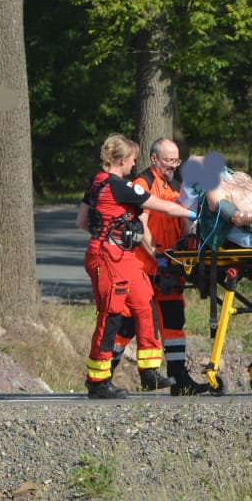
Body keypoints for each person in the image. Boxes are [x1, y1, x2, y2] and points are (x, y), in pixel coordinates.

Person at [78, 134, 192, 399]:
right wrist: (191, 213)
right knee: (111, 315)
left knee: (144, 303)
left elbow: (82, 221)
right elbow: (162, 206)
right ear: (120, 160)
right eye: (131, 160)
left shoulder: (95, 184)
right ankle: (98, 380)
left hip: (119, 254)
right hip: (110, 257)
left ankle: (149, 371)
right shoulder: (119, 186)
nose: (133, 165)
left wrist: (108, 230)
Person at [118, 138, 209, 396]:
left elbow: (182, 224)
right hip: (145, 267)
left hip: (169, 268)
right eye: (168, 160)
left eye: (176, 160)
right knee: (129, 324)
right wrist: (158, 257)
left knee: (173, 321)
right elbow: (140, 226)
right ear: (154, 159)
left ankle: (179, 379)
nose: (173, 165)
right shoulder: (142, 185)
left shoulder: (174, 187)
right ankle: (102, 378)